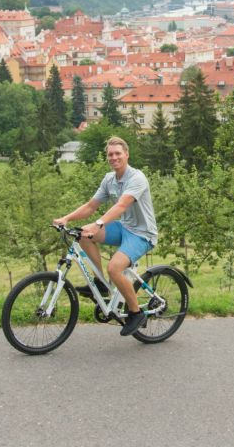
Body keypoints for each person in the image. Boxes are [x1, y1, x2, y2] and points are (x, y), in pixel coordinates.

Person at [53, 136, 158, 337]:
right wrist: (66, 218)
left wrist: (99, 223)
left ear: (127, 155)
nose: (114, 157)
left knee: (114, 268)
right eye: (110, 154)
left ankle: (136, 313)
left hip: (143, 234)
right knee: (82, 234)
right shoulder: (109, 179)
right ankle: (101, 284)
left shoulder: (137, 178)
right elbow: (91, 206)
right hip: (124, 227)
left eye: (118, 153)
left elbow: (121, 205)